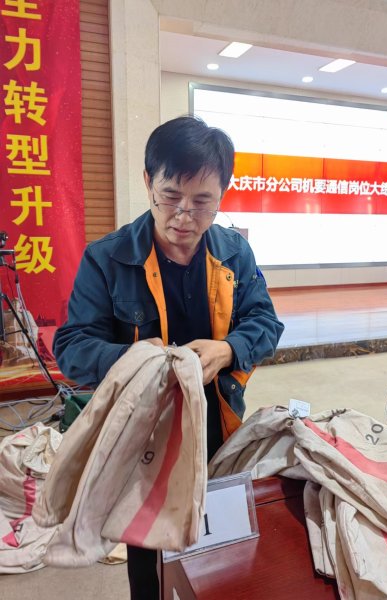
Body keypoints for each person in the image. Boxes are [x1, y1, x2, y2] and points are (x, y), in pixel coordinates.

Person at [53, 115, 284, 599]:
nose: (184, 215)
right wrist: (141, 359)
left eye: (202, 202)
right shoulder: (107, 258)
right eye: (170, 196)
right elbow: (72, 348)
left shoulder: (234, 253)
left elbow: (265, 322)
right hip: (142, 435)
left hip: (218, 425)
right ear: (148, 182)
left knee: (220, 547)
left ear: (222, 194)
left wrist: (228, 349)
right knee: (149, 553)